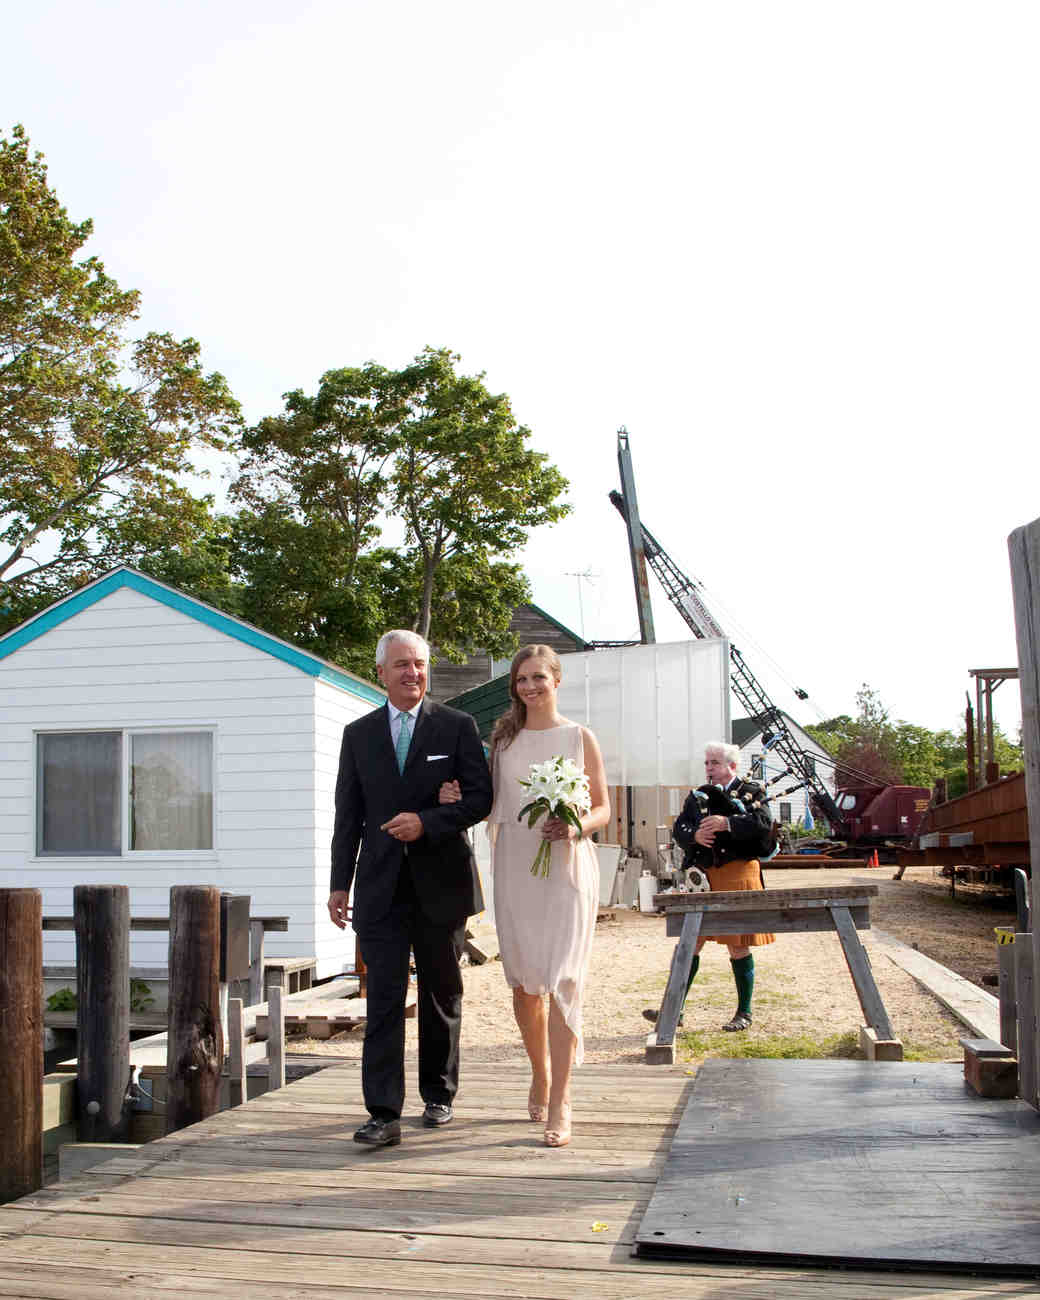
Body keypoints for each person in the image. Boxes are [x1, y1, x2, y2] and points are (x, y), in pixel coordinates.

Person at [328, 630, 493, 1148]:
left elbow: (480, 799)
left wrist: (429, 821)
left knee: (442, 992)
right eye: (401, 665)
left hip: (441, 883)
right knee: (383, 999)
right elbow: (347, 815)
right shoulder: (358, 734)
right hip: (379, 886)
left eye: (419, 664)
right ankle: (382, 1112)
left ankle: (439, 1095)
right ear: (381, 672)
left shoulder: (458, 727)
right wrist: (339, 883)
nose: (412, 673)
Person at [439, 644, 608, 1147]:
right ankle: (541, 1070)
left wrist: (576, 825)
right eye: (521, 679)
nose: (530, 687)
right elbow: (485, 801)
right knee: (525, 985)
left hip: (567, 869)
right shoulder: (505, 741)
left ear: (557, 680)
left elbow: (602, 807)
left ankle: (562, 1100)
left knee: (562, 980)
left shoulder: (580, 737)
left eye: (538, 677)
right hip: (515, 866)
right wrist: (453, 798)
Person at [644, 740, 774, 1032]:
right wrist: (694, 838)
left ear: (732, 766)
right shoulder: (698, 796)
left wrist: (727, 823)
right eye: (706, 763)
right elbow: (680, 827)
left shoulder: (752, 792)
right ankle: (674, 1010)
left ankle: (744, 1012)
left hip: (738, 873)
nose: (709, 768)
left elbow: (763, 825)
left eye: (714, 763)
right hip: (703, 876)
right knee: (689, 943)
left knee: (737, 946)